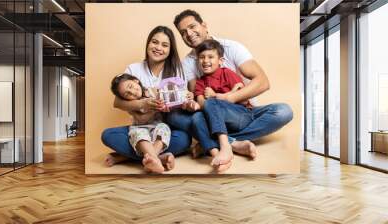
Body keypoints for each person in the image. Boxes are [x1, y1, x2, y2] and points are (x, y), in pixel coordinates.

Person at [166, 9, 294, 172]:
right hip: (210, 115)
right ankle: (234, 143)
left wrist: (228, 97)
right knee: (174, 115)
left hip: (242, 112)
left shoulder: (231, 48)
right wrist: (190, 103)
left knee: (283, 111)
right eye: (183, 32)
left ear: (204, 26)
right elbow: (198, 100)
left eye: (192, 27)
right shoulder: (188, 64)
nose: (189, 34)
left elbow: (262, 82)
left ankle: (213, 141)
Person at [101, 26, 192, 170]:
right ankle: (157, 157)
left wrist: (182, 101)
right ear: (148, 43)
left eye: (164, 45)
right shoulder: (133, 69)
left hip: (164, 127)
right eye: (154, 42)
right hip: (140, 126)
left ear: (170, 50)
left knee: (183, 139)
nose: (158, 48)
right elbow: (117, 101)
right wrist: (143, 104)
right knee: (108, 135)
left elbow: (183, 98)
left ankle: (129, 157)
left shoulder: (177, 71)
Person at [188, 39, 257, 171]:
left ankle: (224, 146)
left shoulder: (227, 73)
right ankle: (218, 154)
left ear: (220, 60)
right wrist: (205, 101)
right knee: (196, 118)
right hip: (217, 122)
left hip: (238, 115)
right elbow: (202, 104)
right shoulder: (201, 82)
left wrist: (217, 96)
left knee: (212, 103)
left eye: (210, 57)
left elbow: (242, 100)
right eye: (202, 57)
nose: (205, 60)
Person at [110, 73, 172, 173]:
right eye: (127, 94)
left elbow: (166, 101)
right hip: (140, 126)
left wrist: (164, 107)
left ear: (136, 81)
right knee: (138, 134)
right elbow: (141, 119)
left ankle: (151, 159)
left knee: (164, 128)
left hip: (156, 126)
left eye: (130, 86)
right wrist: (154, 110)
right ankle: (157, 160)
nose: (132, 92)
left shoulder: (153, 91)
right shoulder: (132, 105)